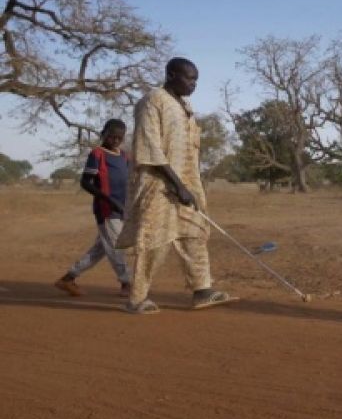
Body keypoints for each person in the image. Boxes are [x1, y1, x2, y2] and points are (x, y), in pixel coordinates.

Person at [117, 58, 236, 314]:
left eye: (196, 80)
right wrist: (176, 184)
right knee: (155, 240)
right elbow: (148, 146)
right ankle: (137, 299)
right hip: (157, 183)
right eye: (189, 78)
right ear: (171, 75)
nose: (193, 84)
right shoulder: (153, 101)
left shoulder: (184, 106)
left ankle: (202, 290)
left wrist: (189, 184)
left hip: (186, 183)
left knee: (194, 232)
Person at [54, 119, 133, 297]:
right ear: (103, 133)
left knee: (100, 249)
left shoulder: (124, 156)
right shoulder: (97, 154)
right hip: (106, 209)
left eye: (119, 137)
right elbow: (85, 182)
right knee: (116, 247)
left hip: (122, 210)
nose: (115, 140)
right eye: (111, 136)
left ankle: (68, 278)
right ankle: (127, 283)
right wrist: (108, 199)